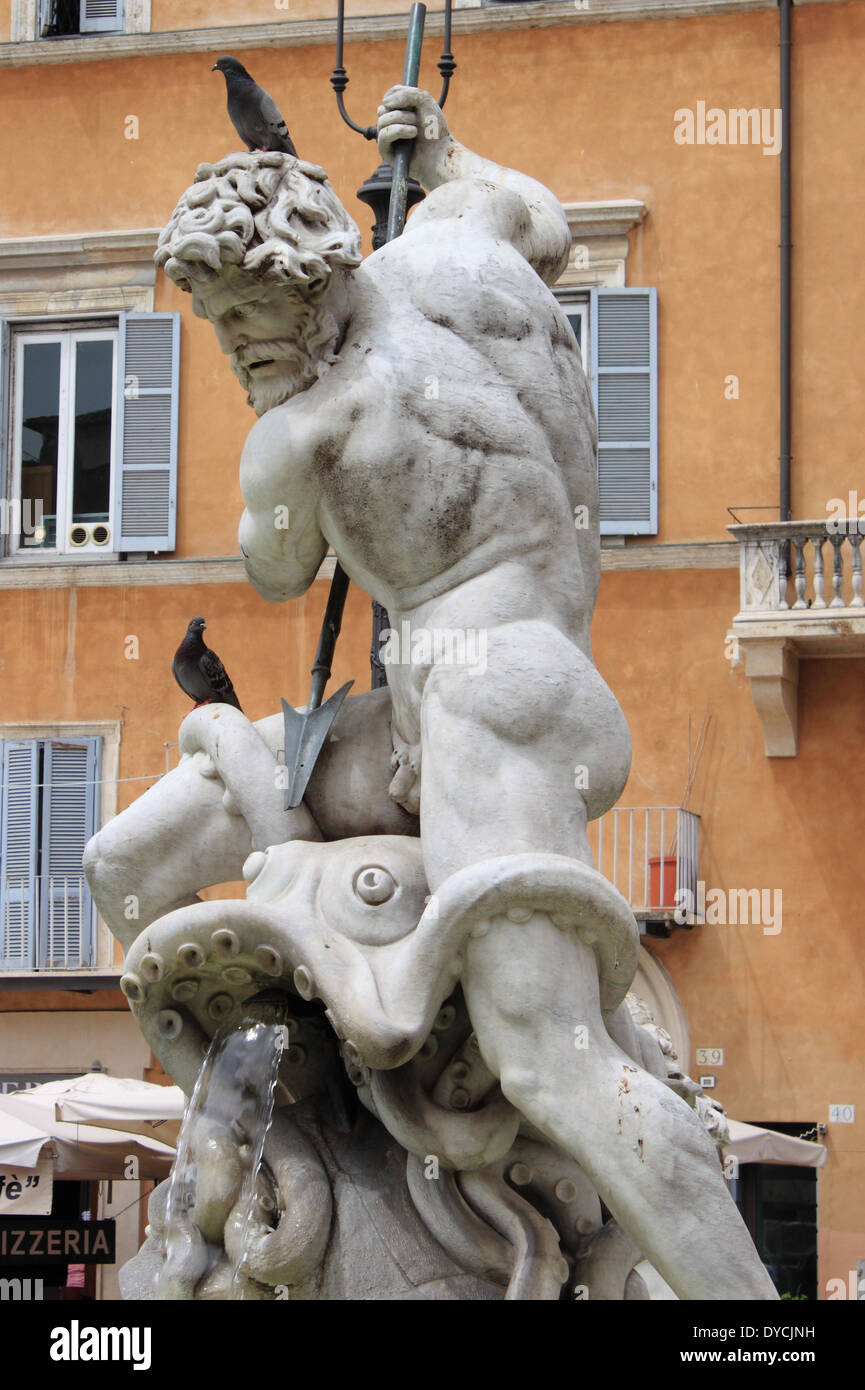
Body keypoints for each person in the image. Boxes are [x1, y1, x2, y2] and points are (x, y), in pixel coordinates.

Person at [149, 88, 777, 1299]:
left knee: (554, 1064)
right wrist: (435, 147)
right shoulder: (447, 255)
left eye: (254, 319)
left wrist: (286, 440)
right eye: (221, 327)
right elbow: (529, 210)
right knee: (135, 861)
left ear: (315, 276)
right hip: (507, 687)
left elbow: (277, 571)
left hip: (486, 700)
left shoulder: (296, 428)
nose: (241, 350)